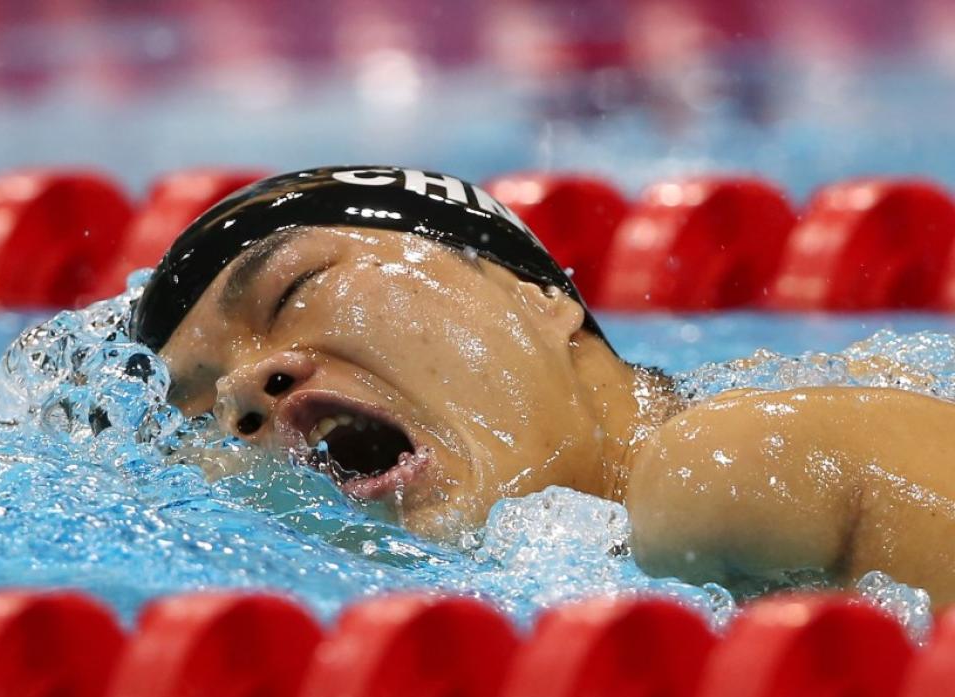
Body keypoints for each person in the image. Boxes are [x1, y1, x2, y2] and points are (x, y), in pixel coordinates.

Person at [131, 166, 955, 604]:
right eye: (204, 416)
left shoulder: (724, 466)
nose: (244, 387)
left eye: (291, 291)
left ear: (541, 295)